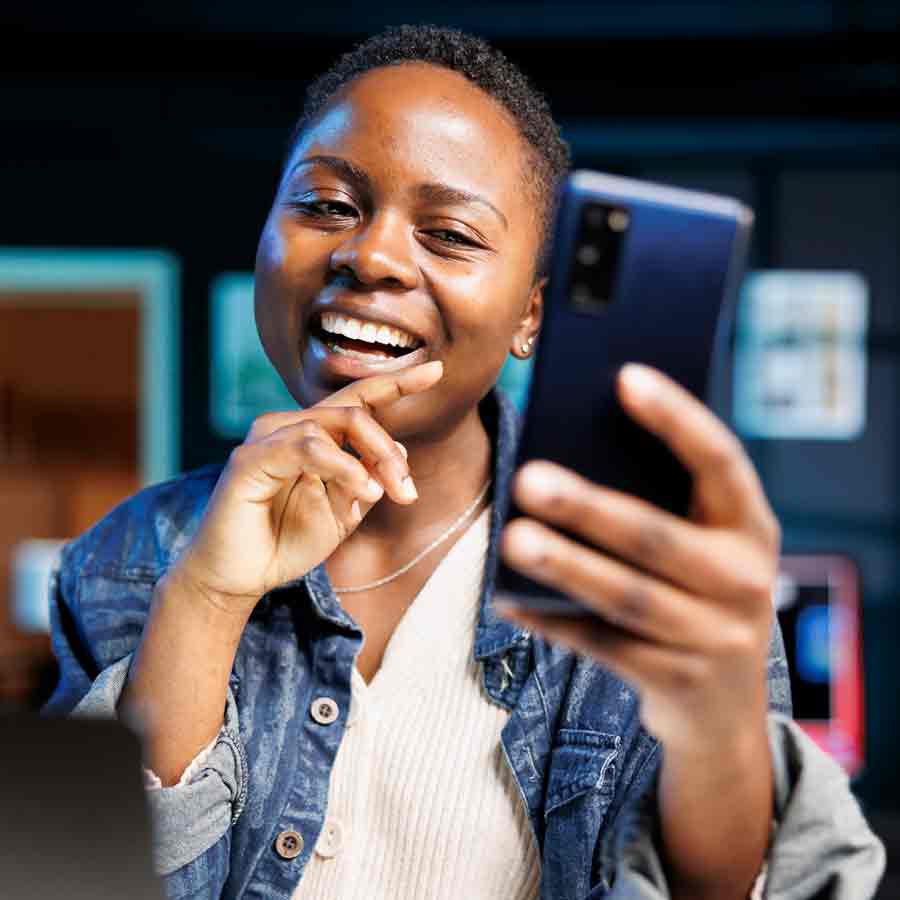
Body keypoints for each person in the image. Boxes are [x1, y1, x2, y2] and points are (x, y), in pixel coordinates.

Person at [44, 24, 884, 900]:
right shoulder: (123, 559)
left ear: (531, 315)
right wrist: (205, 599)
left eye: (448, 234)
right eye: (327, 205)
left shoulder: (638, 579)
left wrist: (717, 726)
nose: (367, 255)